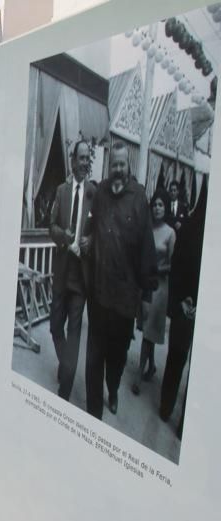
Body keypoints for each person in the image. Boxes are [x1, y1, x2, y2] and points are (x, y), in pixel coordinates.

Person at [81, 142, 157, 418]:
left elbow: (148, 249)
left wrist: (146, 296)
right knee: (93, 359)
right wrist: (88, 237)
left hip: (124, 302)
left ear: (129, 167)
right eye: (113, 164)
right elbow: (91, 223)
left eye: (122, 165)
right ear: (108, 166)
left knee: (116, 358)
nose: (117, 170)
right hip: (99, 295)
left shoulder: (139, 199)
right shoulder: (100, 192)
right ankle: (93, 416)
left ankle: (112, 388)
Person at [48, 140, 96, 402]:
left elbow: (100, 230)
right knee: (56, 327)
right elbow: (51, 226)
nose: (84, 162)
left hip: (81, 278)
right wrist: (64, 237)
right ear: (73, 160)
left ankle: (64, 388)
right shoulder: (61, 192)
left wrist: (93, 240)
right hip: (62, 272)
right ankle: (66, 364)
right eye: (81, 157)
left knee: (75, 333)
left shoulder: (94, 195)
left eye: (88, 158)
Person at [159, 183, 207, 431]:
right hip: (185, 308)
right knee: (177, 358)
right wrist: (182, 300)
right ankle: (166, 407)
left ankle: (184, 424)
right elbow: (176, 268)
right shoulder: (189, 228)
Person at [131, 190, 176, 395]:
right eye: (155, 205)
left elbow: (174, 266)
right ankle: (151, 366)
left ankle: (139, 377)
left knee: (149, 332)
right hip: (146, 284)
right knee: (146, 329)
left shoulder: (170, 233)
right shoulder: (148, 228)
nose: (157, 208)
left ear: (166, 208)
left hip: (160, 288)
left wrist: (157, 269)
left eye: (161, 205)